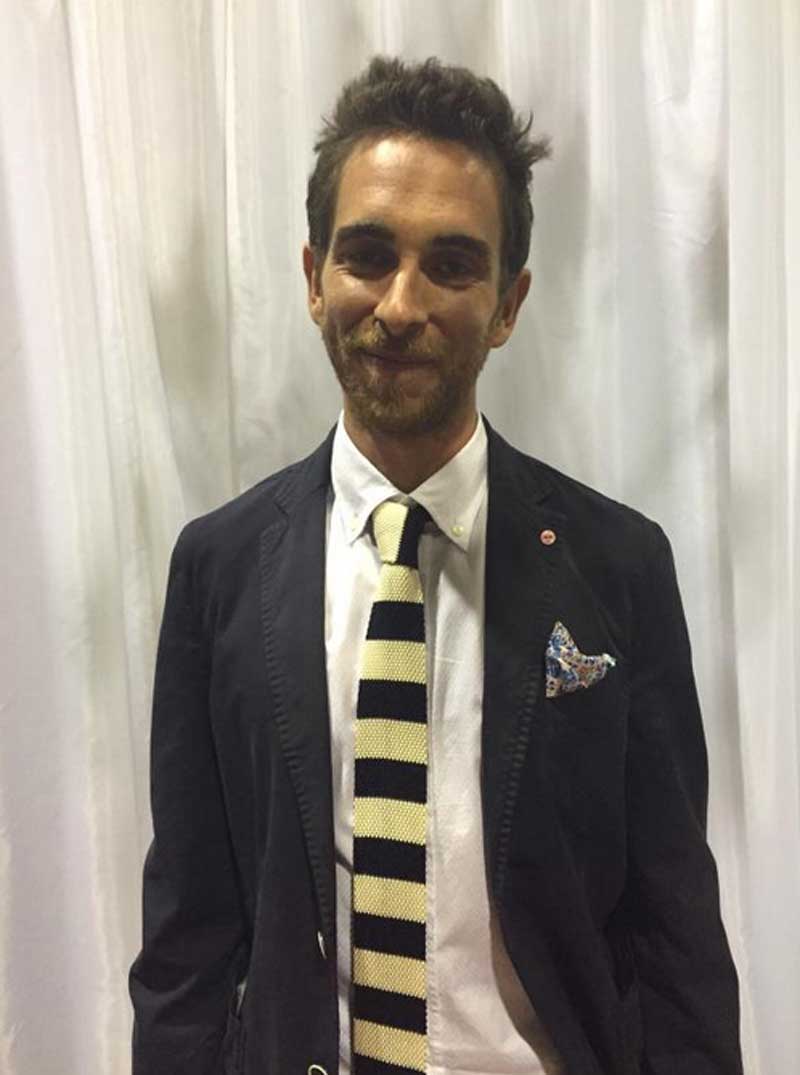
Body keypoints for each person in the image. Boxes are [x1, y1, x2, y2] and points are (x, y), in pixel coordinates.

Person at [129, 56, 743, 1075]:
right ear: (313, 278)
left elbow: (675, 932)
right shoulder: (218, 566)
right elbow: (187, 940)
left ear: (507, 304)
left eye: (452, 265)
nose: (401, 303)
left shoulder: (618, 566)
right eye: (367, 255)